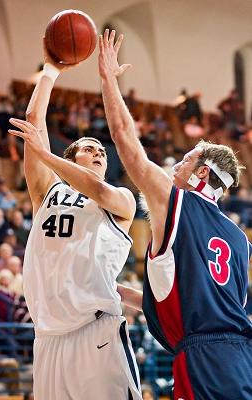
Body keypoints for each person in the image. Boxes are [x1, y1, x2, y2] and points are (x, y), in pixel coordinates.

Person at [98, 29, 252, 400]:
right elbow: (188, 300)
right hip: (238, 357)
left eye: (183, 161)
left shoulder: (176, 203)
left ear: (201, 172)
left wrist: (107, 80)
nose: (174, 167)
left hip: (205, 361)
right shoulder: (239, 240)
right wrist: (109, 291)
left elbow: (125, 140)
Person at [8, 40, 142, 400]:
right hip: (48, 339)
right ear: (71, 156)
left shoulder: (121, 199)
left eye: (101, 151)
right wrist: (50, 71)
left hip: (95, 332)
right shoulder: (47, 192)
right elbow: (33, 126)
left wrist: (46, 155)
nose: (99, 153)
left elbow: (97, 191)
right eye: (89, 148)